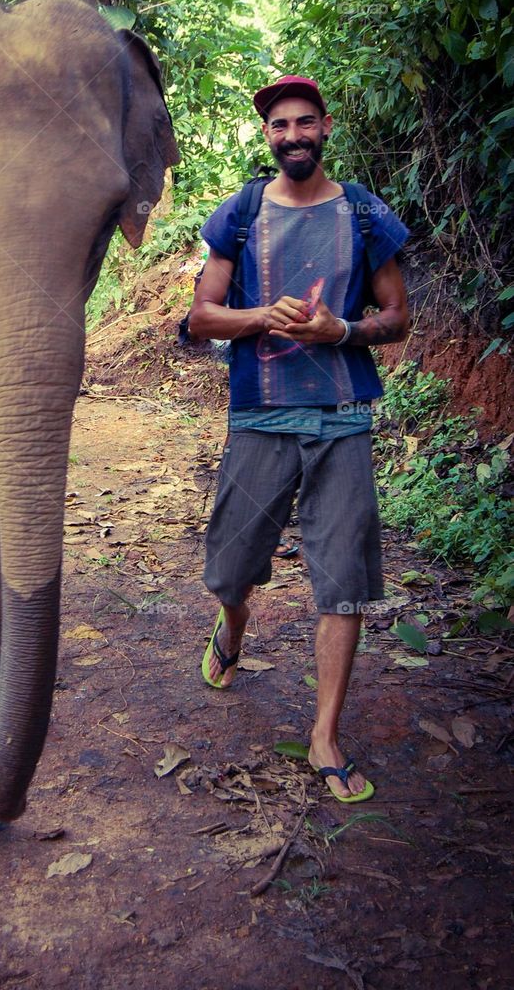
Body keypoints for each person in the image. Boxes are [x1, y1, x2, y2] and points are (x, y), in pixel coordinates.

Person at [187, 75, 410, 803]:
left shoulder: (366, 213)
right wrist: (262, 318)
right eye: (279, 126)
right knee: (230, 567)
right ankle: (231, 621)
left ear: (326, 127)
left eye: (303, 122)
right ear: (267, 137)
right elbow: (203, 318)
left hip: (342, 418)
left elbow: (396, 317)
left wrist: (338, 330)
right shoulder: (242, 213)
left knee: (341, 584)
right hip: (260, 416)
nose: (292, 135)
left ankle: (323, 735)